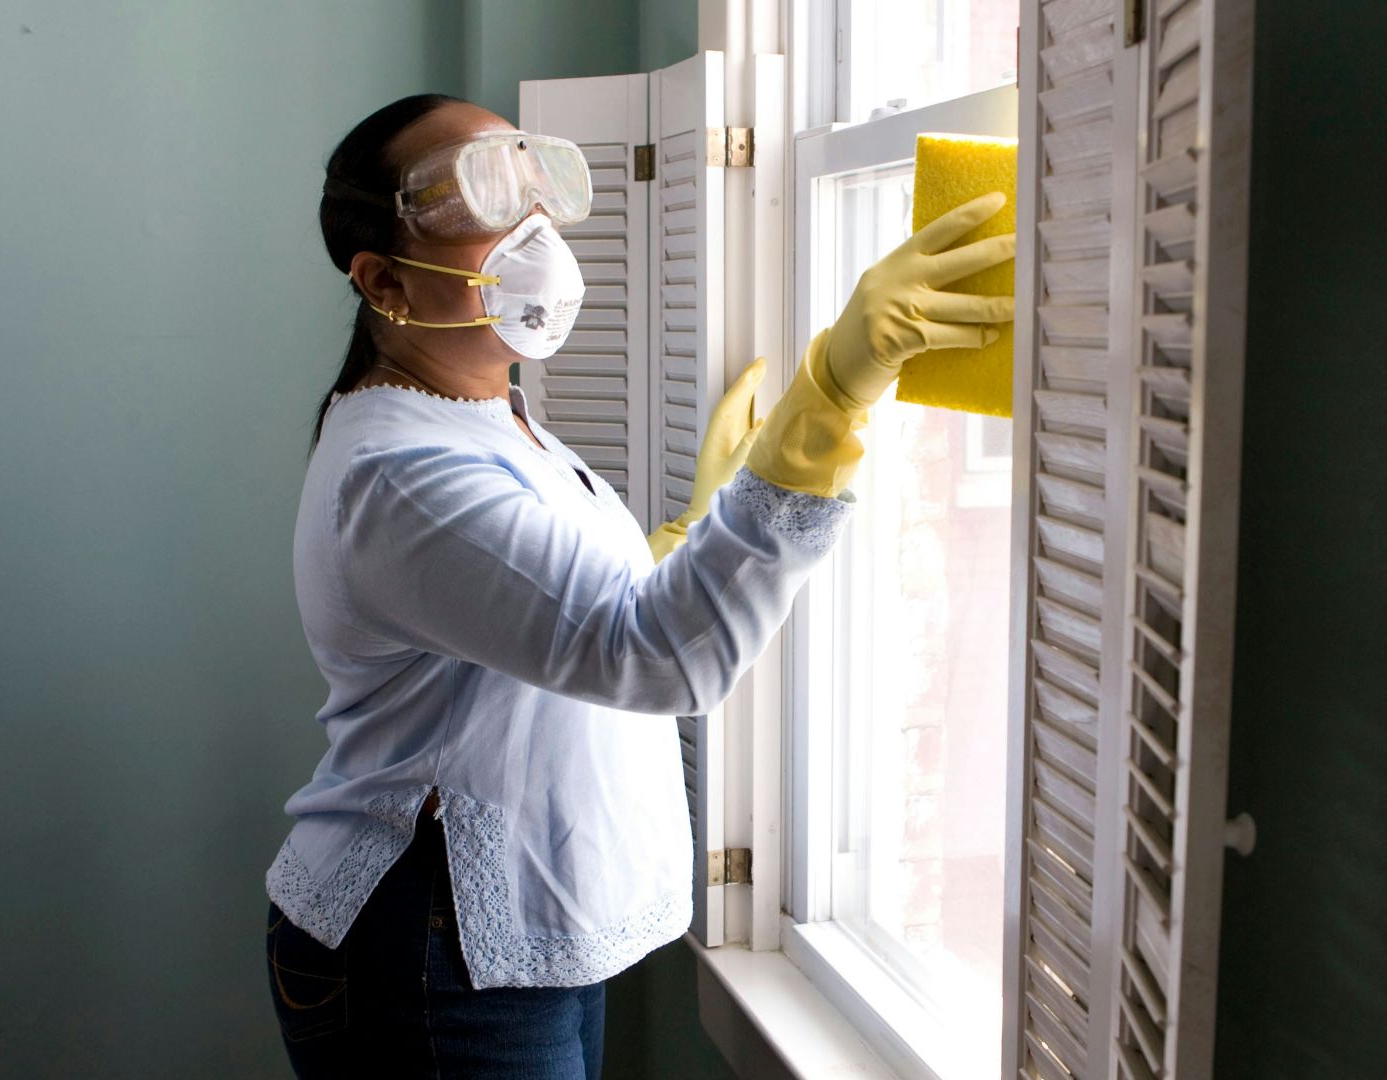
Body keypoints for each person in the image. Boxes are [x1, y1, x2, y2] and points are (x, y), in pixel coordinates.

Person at [262, 92, 1015, 1079]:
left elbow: (550, 611)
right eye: (478, 195)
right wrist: (829, 399)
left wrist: (696, 527)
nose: (532, 223)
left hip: (507, 935)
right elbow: (655, 656)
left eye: (532, 179)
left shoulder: (481, 413)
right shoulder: (398, 471)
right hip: (430, 952)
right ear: (384, 284)